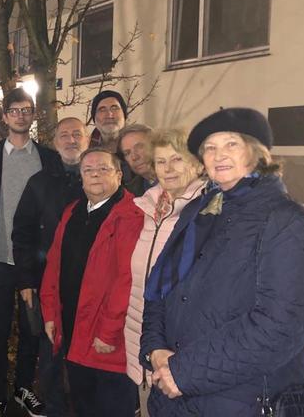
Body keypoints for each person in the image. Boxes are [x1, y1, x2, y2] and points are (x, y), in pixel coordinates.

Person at [140, 108, 304, 416]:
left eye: (231, 144)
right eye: (209, 148)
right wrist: (154, 349)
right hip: (174, 397)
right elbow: (159, 289)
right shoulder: (198, 212)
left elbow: (280, 327)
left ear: (256, 153)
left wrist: (184, 371)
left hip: (240, 401)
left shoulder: (290, 223)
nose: (218, 155)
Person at [0, 87, 62, 417]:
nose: (21, 115)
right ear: (5, 116)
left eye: (26, 110)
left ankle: (23, 388)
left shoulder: (48, 158)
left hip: (35, 264)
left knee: (32, 331)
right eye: (14, 110)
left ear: (33, 114)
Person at [40, 147, 144, 417]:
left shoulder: (131, 215)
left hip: (108, 340)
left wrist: (108, 332)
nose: (95, 175)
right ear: (81, 178)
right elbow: (54, 265)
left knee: (112, 407)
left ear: (119, 175)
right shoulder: (73, 211)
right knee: (82, 403)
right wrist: (50, 313)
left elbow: (128, 279)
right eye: (88, 170)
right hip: (74, 331)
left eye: (104, 169)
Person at [123, 128, 205, 416]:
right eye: (160, 162)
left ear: (196, 163)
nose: (168, 169)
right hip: (141, 335)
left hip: (179, 344)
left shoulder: (206, 211)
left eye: (177, 159)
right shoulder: (147, 206)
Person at [12, 117, 89, 417]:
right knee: (51, 354)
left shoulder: (98, 176)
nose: (71, 140)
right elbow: (22, 233)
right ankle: (55, 409)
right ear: (55, 143)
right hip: (49, 284)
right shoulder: (40, 182)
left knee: (87, 356)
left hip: (91, 284)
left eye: (77, 134)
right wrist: (26, 280)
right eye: (64, 135)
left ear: (87, 139)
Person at [118, 124, 156, 196]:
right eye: (127, 153)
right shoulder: (129, 193)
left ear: (156, 145)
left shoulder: (180, 179)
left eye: (139, 147)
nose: (134, 157)